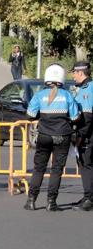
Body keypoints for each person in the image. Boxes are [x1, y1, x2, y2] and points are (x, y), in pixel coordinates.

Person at [24, 64, 80, 211]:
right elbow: (75, 117)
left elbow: (29, 115)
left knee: (39, 168)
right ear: (61, 79)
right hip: (62, 136)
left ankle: (31, 200)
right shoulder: (67, 95)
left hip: (44, 135)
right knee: (56, 170)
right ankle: (51, 202)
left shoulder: (39, 95)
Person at [71, 61, 93, 211]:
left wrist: (80, 137)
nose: (73, 76)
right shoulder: (84, 88)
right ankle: (88, 196)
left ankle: (89, 199)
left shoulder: (87, 89)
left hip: (88, 135)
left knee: (87, 166)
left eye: (74, 72)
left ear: (80, 73)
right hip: (88, 133)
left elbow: (87, 117)